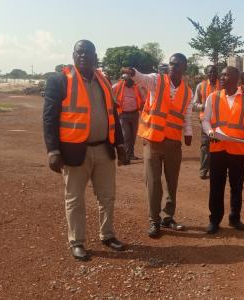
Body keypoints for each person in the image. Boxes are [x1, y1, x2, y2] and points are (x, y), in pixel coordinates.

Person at [43, 40, 127, 261]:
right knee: (75, 199)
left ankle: (107, 235)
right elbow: (49, 119)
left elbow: (113, 115)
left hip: (103, 149)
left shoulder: (104, 81)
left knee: (107, 197)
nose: (83, 56)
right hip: (74, 152)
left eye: (87, 52)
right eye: (79, 52)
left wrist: (120, 143)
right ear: (73, 55)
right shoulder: (59, 81)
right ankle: (77, 241)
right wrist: (53, 150)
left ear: (94, 56)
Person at [121, 53, 193, 238]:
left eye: (176, 65)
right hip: (153, 141)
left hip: (173, 143)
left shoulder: (188, 92)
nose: (172, 68)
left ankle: (168, 217)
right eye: (170, 64)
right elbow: (141, 78)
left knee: (172, 182)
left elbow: (187, 115)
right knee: (153, 182)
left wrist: (188, 133)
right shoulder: (156, 81)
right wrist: (133, 72)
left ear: (184, 68)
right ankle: (154, 221)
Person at [202, 66, 244, 234]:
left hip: (239, 151)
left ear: (236, 79)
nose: (221, 77)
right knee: (216, 186)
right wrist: (210, 132)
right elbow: (205, 121)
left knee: (237, 187)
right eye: (222, 75)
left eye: (226, 75)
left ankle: (235, 218)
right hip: (218, 149)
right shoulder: (213, 97)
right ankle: (214, 220)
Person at [193, 65, 221, 180]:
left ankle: (218, 169)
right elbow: (194, 104)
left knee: (219, 145)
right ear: (206, 74)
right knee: (205, 145)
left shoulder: (223, 85)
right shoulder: (201, 86)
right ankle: (204, 169)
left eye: (214, 72)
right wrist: (203, 106)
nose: (212, 74)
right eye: (210, 72)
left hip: (220, 122)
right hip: (206, 121)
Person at [112, 74, 145, 161]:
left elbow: (143, 99)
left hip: (134, 114)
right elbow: (108, 93)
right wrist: (112, 103)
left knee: (133, 137)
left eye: (132, 81)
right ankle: (125, 156)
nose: (131, 83)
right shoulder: (117, 86)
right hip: (123, 115)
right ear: (124, 80)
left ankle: (131, 154)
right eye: (129, 81)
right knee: (126, 135)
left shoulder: (136, 87)